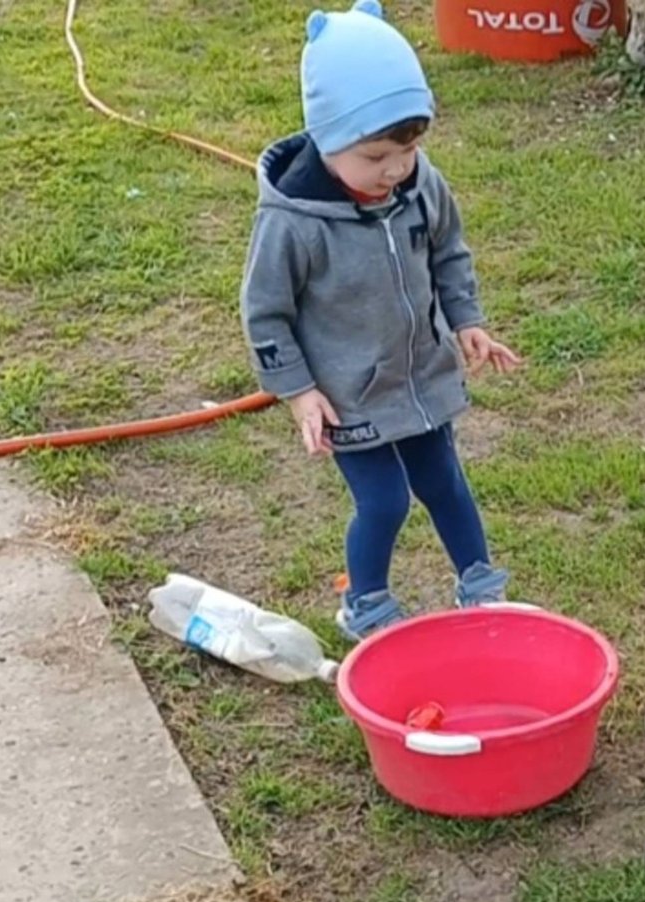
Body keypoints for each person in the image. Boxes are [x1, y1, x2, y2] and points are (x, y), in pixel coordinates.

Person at [240, 0, 522, 642]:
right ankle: (364, 603)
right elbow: (266, 312)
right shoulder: (292, 223)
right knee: (385, 499)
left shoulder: (419, 185)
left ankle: (481, 585)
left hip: (420, 375)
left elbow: (449, 252)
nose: (395, 169)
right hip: (350, 394)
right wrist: (299, 391)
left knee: (444, 479)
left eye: (409, 148)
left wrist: (466, 320)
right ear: (326, 140)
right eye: (375, 156)